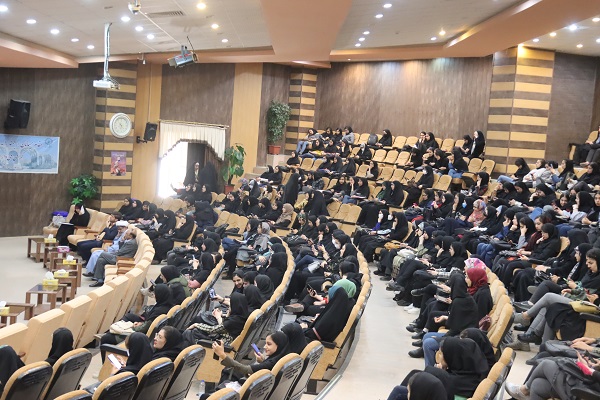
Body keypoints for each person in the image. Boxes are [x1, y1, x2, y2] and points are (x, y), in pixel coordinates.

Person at [211, 331, 289, 379]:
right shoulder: (281, 358)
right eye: (265, 343)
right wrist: (263, 361)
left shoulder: (272, 362)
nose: (265, 347)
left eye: (269, 344)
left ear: (279, 345)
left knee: (228, 372)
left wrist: (222, 355)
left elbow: (246, 369)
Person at [183, 292, 250, 346]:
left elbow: (212, 329)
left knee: (190, 332)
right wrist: (227, 313)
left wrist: (196, 325)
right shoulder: (242, 316)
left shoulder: (232, 321)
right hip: (223, 340)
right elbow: (224, 327)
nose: (229, 305)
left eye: (231, 304)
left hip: (221, 345)